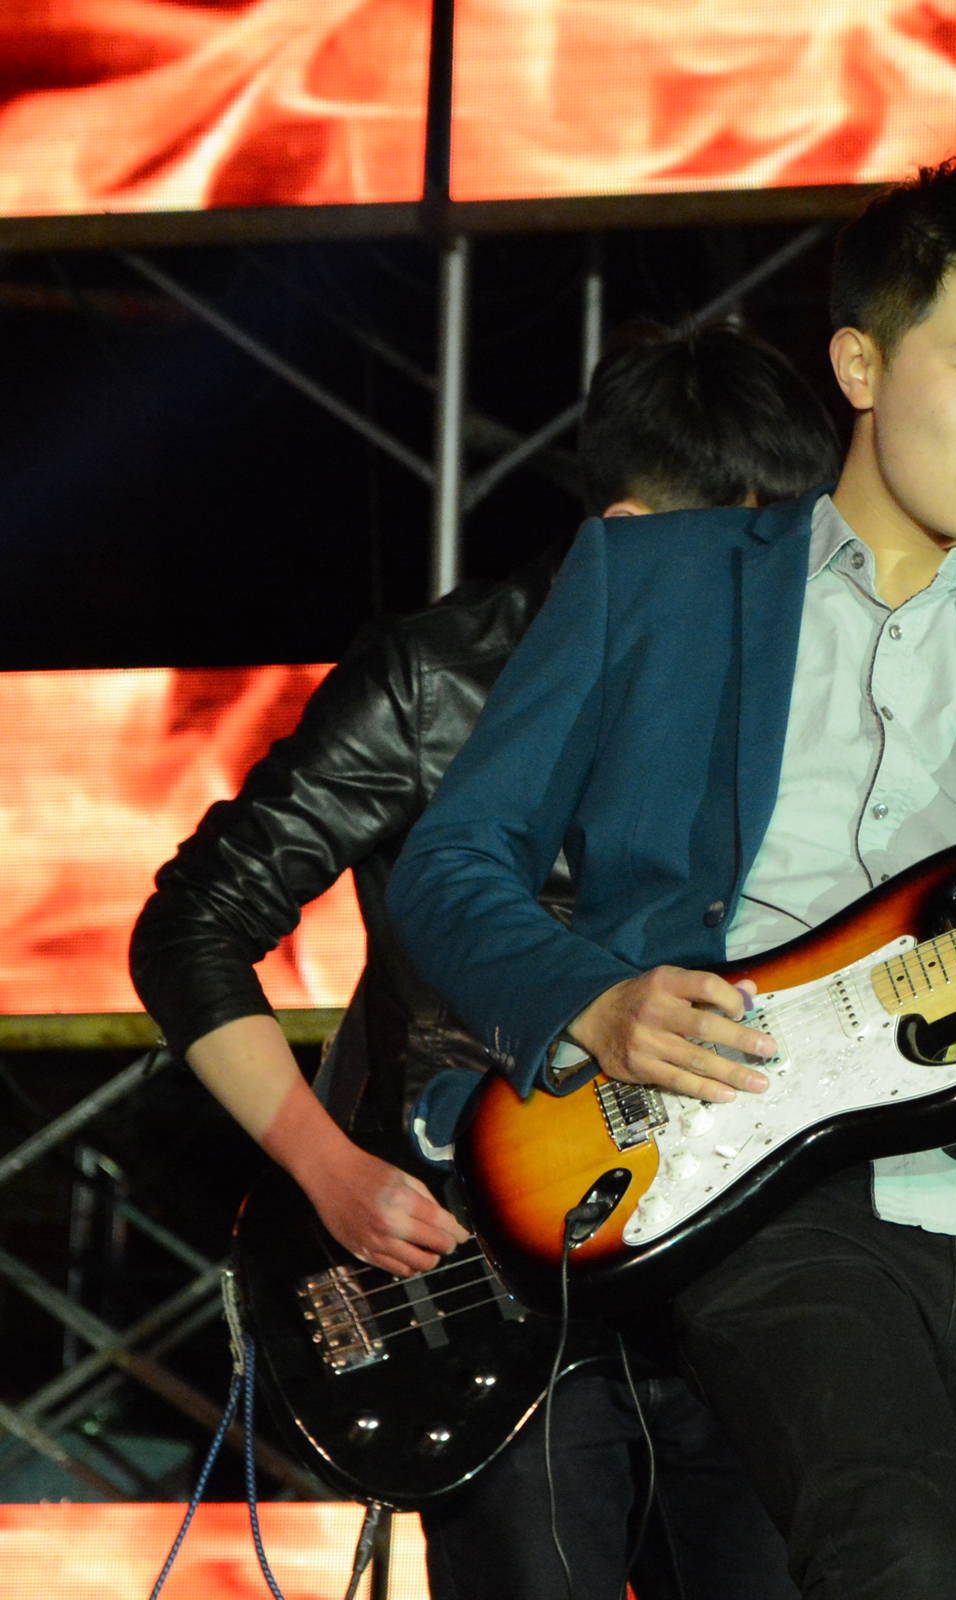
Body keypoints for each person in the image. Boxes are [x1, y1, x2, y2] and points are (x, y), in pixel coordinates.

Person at [385, 156, 956, 1600]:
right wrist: (595, 1001)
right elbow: (452, 862)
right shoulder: (655, 582)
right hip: (736, 1163)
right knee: (899, 1549)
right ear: (861, 364)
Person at [130, 318, 830, 1600]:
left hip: (734, 1270)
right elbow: (191, 925)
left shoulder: (812, 698)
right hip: (479, 1278)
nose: (782, 588)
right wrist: (328, 1168)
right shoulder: (434, 681)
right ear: (629, 528)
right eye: (745, 550)